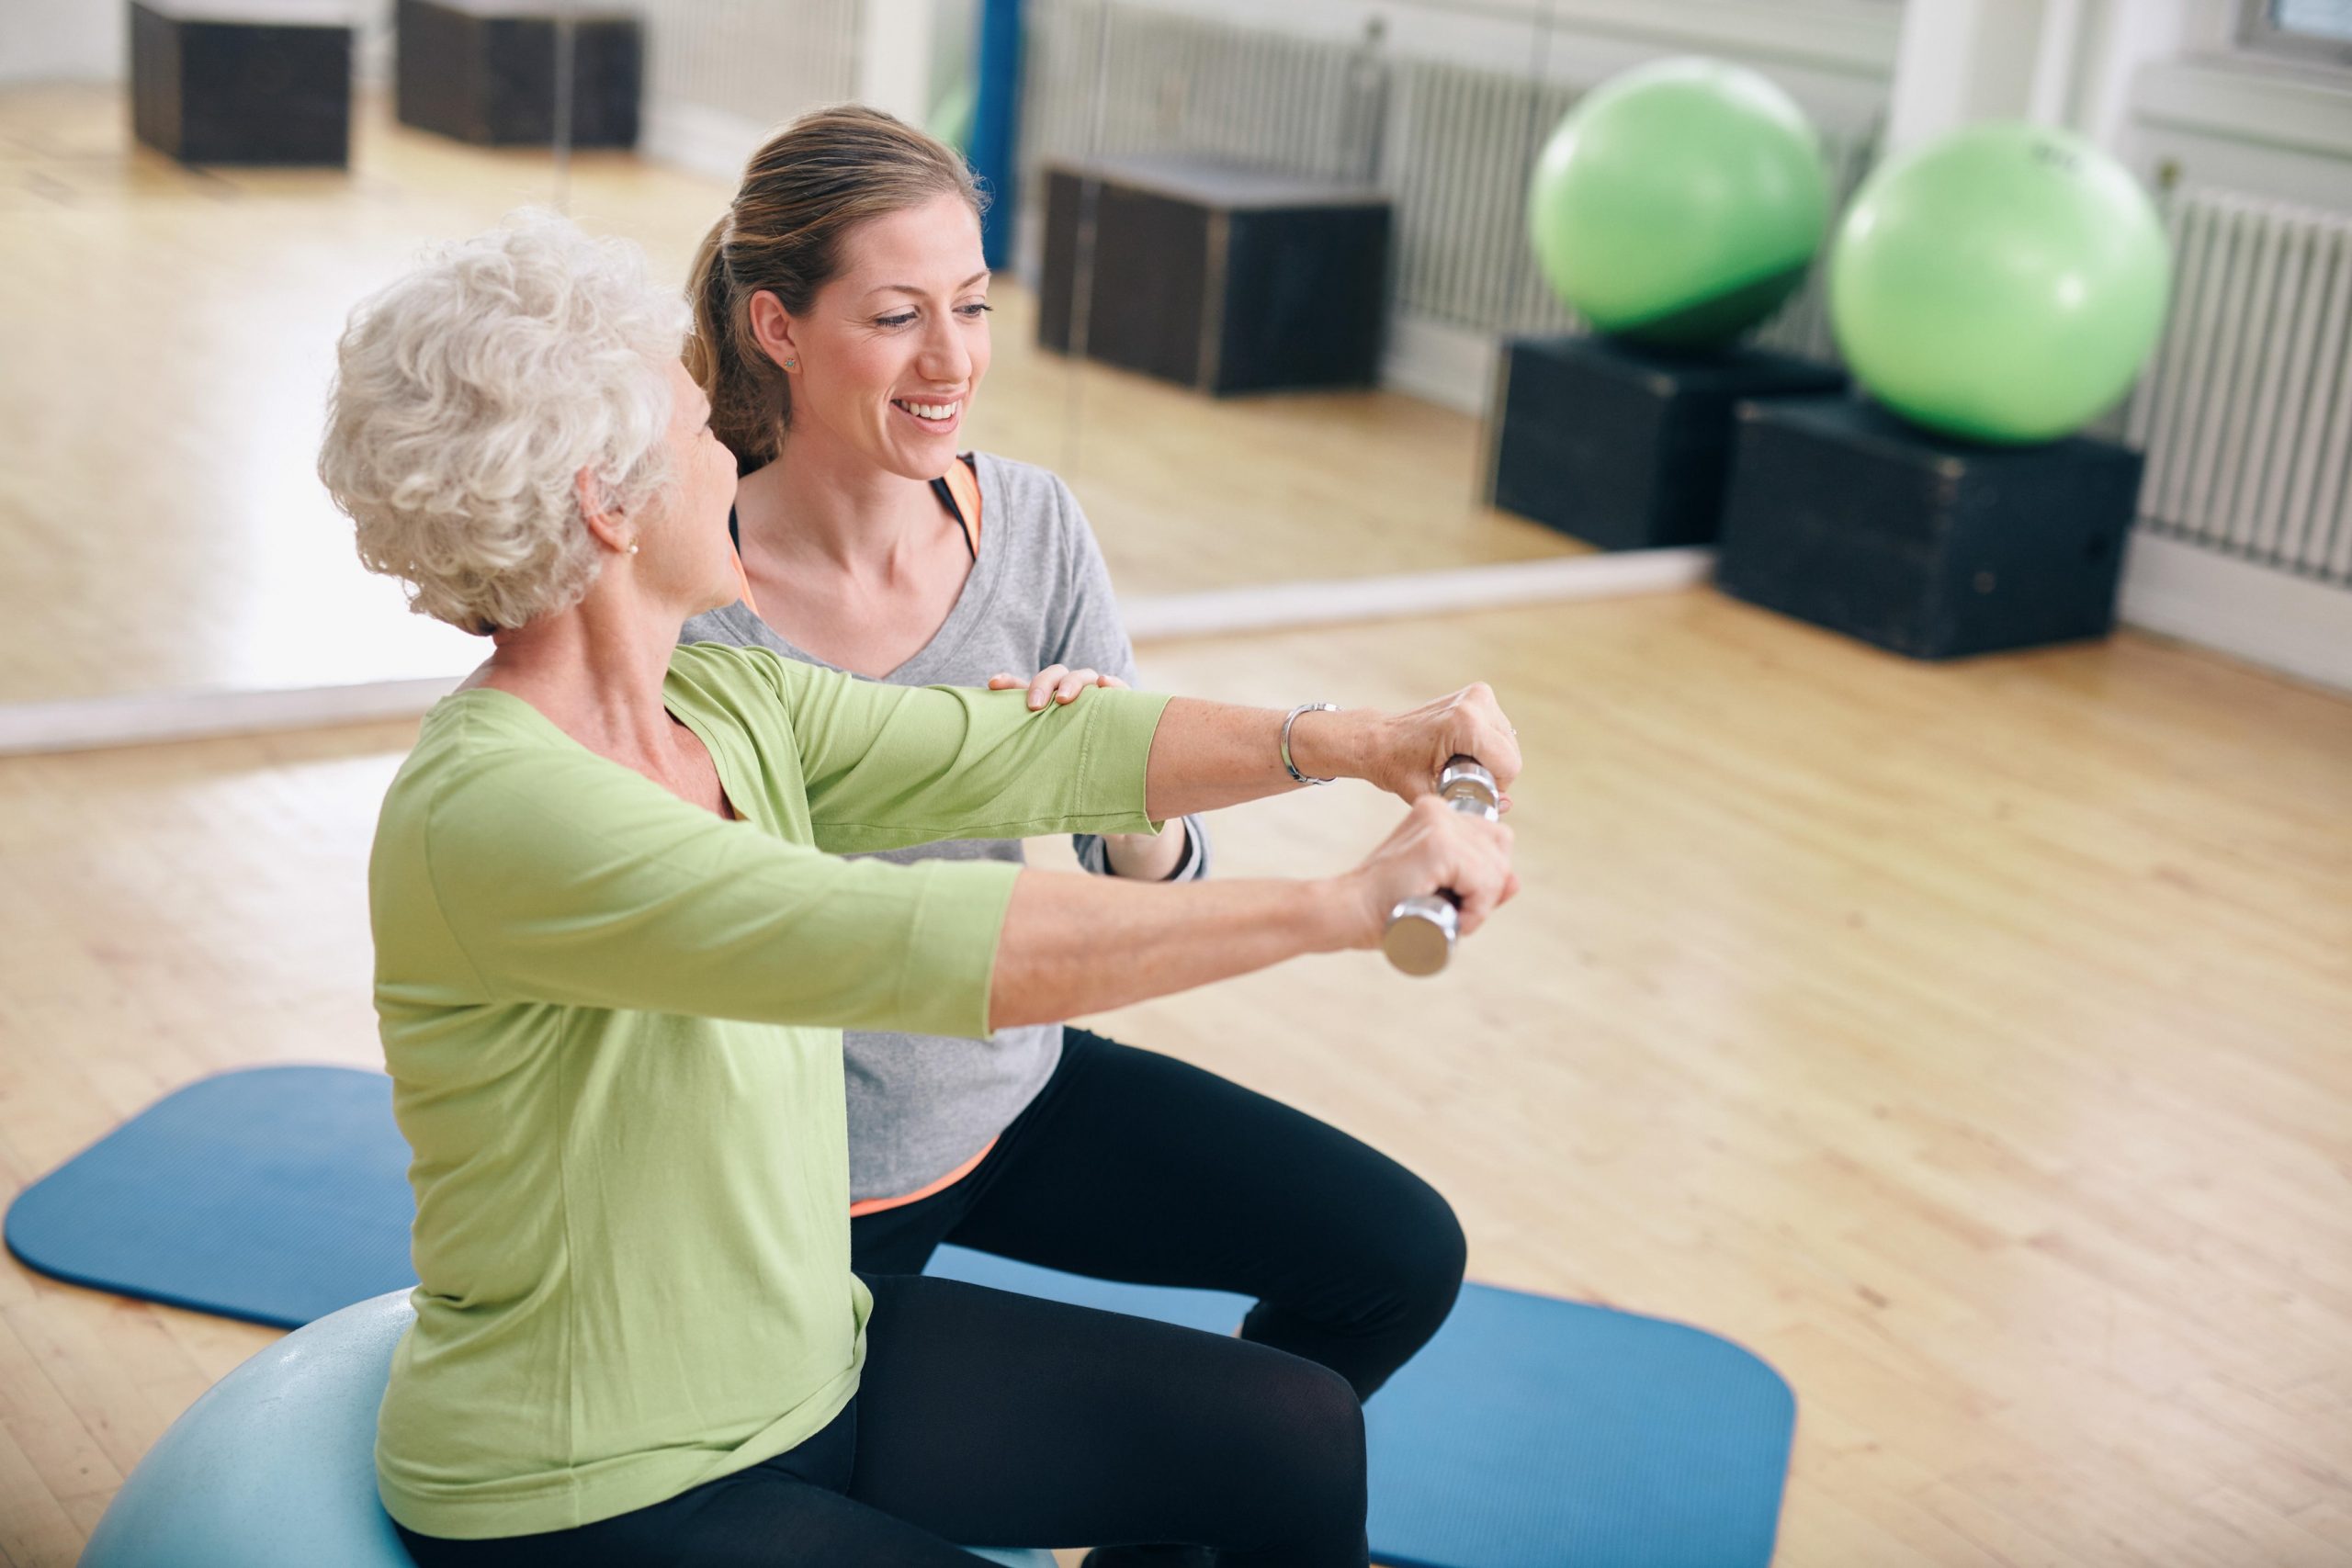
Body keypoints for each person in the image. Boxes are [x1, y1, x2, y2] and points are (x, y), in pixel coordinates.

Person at [318, 212, 1519, 1567]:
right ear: (608, 499)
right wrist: (1341, 909)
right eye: (707, 431)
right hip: (607, 1472)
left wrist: (1370, 742)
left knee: (1290, 1429)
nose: (733, 450)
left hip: (813, 1353)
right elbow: (907, 940)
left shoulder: (719, 697)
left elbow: (1035, 743)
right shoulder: (501, 812)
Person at [682, 108, 1474, 1567]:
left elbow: (1150, 875)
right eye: (899, 315)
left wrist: (1117, 785)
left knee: (1399, 1260)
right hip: (808, 1183)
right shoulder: (693, 595)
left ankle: (1154, 1527)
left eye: (974, 305)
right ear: (779, 327)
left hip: (1009, 1091)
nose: (953, 359)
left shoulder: (1033, 525)